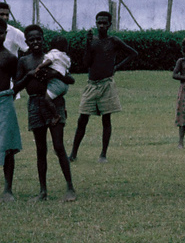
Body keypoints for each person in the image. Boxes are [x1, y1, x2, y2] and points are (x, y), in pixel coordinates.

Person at [70, 11, 138, 164]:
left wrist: (116, 67)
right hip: (92, 85)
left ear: (109, 25)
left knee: (106, 120)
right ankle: (73, 154)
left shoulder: (113, 41)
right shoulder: (92, 41)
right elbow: (86, 63)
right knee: (82, 119)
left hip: (107, 84)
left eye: (104, 23)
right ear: (95, 23)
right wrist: (87, 44)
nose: (101, 25)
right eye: (99, 22)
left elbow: (133, 53)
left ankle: (103, 154)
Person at [18, 25, 76, 201]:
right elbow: (17, 86)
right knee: (40, 149)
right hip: (35, 104)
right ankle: (43, 191)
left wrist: (53, 75)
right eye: (31, 39)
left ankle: (70, 188)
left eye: (38, 38)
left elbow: (70, 79)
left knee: (59, 146)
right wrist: (29, 76)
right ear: (26, 42)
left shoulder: (53, 57)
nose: (35, 42)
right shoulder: (24, 61)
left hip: (54, 103)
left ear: (43, 39)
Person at [0, 34, 26, 200]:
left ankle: (8, 189)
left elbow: (17, 81)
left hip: (4, 102)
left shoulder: (9, 58)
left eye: (1, 32)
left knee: (8, 146)